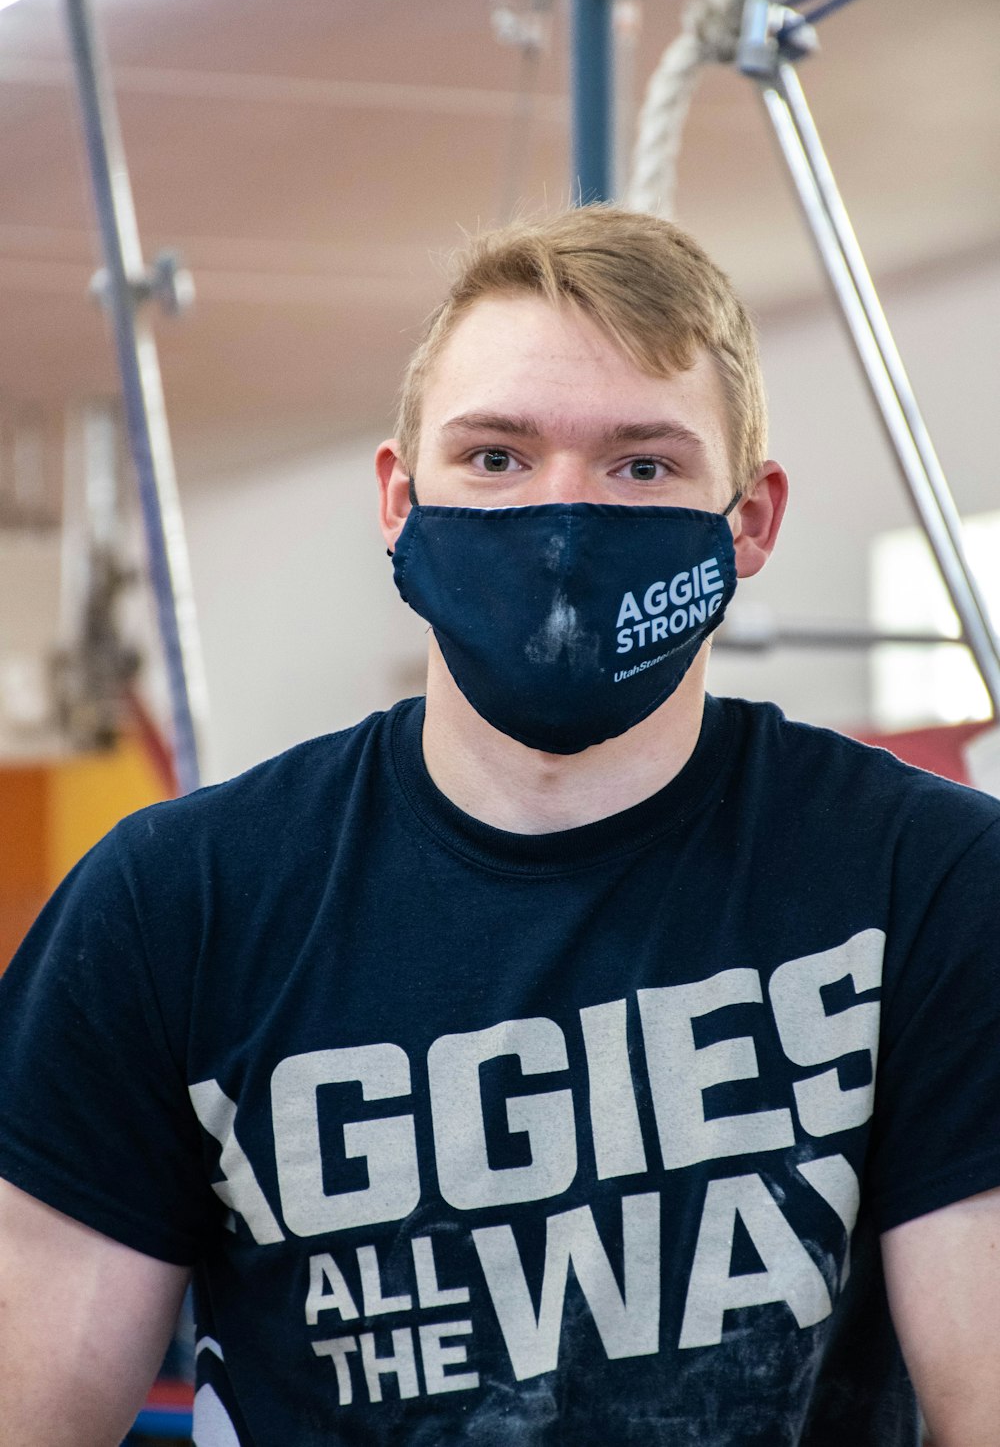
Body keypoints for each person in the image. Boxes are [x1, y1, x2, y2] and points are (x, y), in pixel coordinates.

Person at [0, 206, 998, 1447]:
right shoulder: (175, 906)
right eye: (494, 459)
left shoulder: (934, 882)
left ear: (747, 522)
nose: (563, 527)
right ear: (397, 498)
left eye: (642, 466)